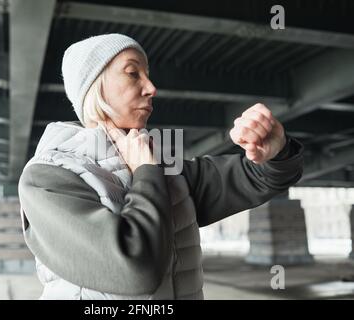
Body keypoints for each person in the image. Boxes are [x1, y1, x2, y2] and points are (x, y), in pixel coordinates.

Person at [18, 33, 303, 300]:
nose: (151, 88)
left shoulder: (165, 168)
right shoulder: (48, 178)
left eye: (148, 75)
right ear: (94, 85)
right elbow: (134, 271)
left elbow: (259, 179)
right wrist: (146, 172)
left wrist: (275, 151)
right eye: (133, 73)